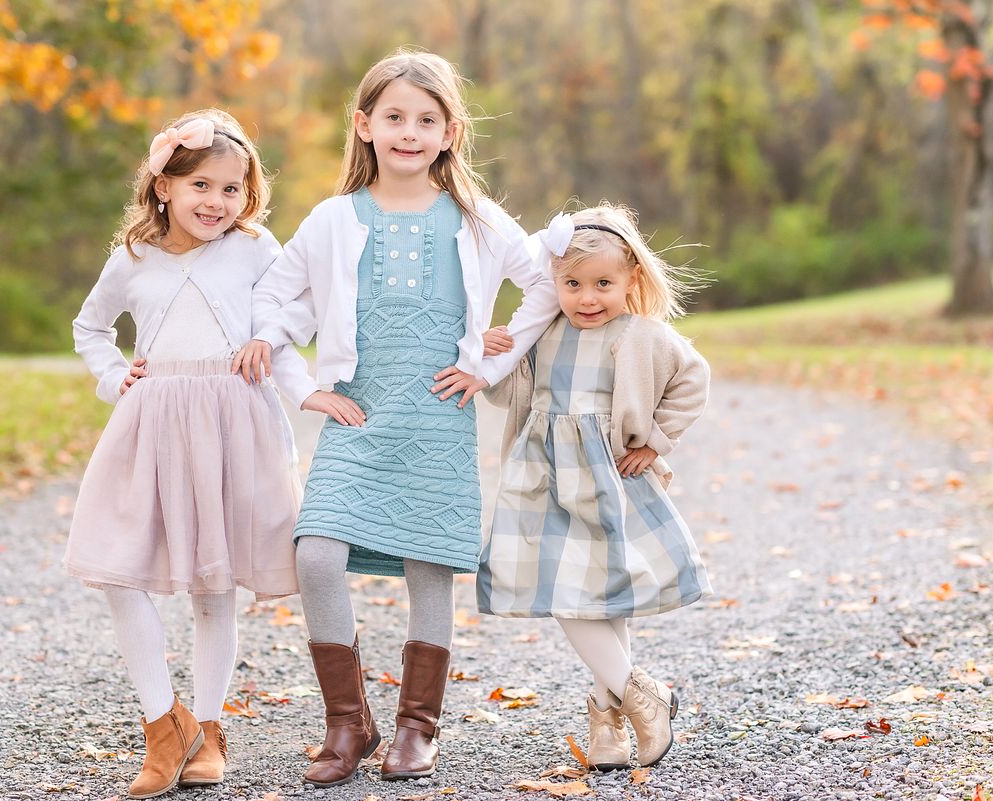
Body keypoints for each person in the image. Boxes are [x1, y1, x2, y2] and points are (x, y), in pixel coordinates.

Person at [239, 49, 559, 786]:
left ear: (450, 131)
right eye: (394, 118)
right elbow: (273, 303)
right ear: (364, 125)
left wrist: (488, 363)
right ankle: (348, 722)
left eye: (425, 119)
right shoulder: (332, 219)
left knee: (426, 566)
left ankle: (418, 727)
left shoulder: (474, 219)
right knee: (317, 553)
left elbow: (543, 283)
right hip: (359, 416)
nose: (409, 132)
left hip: (438, 417)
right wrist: (300, 383)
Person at [65, 109, 317, 799]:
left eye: (232, 189)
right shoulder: (133, 258)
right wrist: (114, 375)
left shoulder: (257, 248)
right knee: (117, 568)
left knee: (215, 581)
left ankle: (207, 728)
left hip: (234, 417)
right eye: (202, 185)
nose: (217, 202)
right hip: (153, 419)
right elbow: (91, 325)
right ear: (164, 186)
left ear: (250, 196)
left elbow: (297, 304)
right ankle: (161, 723)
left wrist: (267, 335)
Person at [477, 203, 711, 770]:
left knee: (602, 594)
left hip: (609, 474)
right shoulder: (542, 331)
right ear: (553, 281)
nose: (587, 297)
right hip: (545, 477)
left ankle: (611, 718)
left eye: (603, 284)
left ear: (631, 277)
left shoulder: (640, 335)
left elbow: (693, 380)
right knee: (567, 590)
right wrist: (497, 355)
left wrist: (653, 442)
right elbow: (506, 397)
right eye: (572, 283)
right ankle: (639, 697)